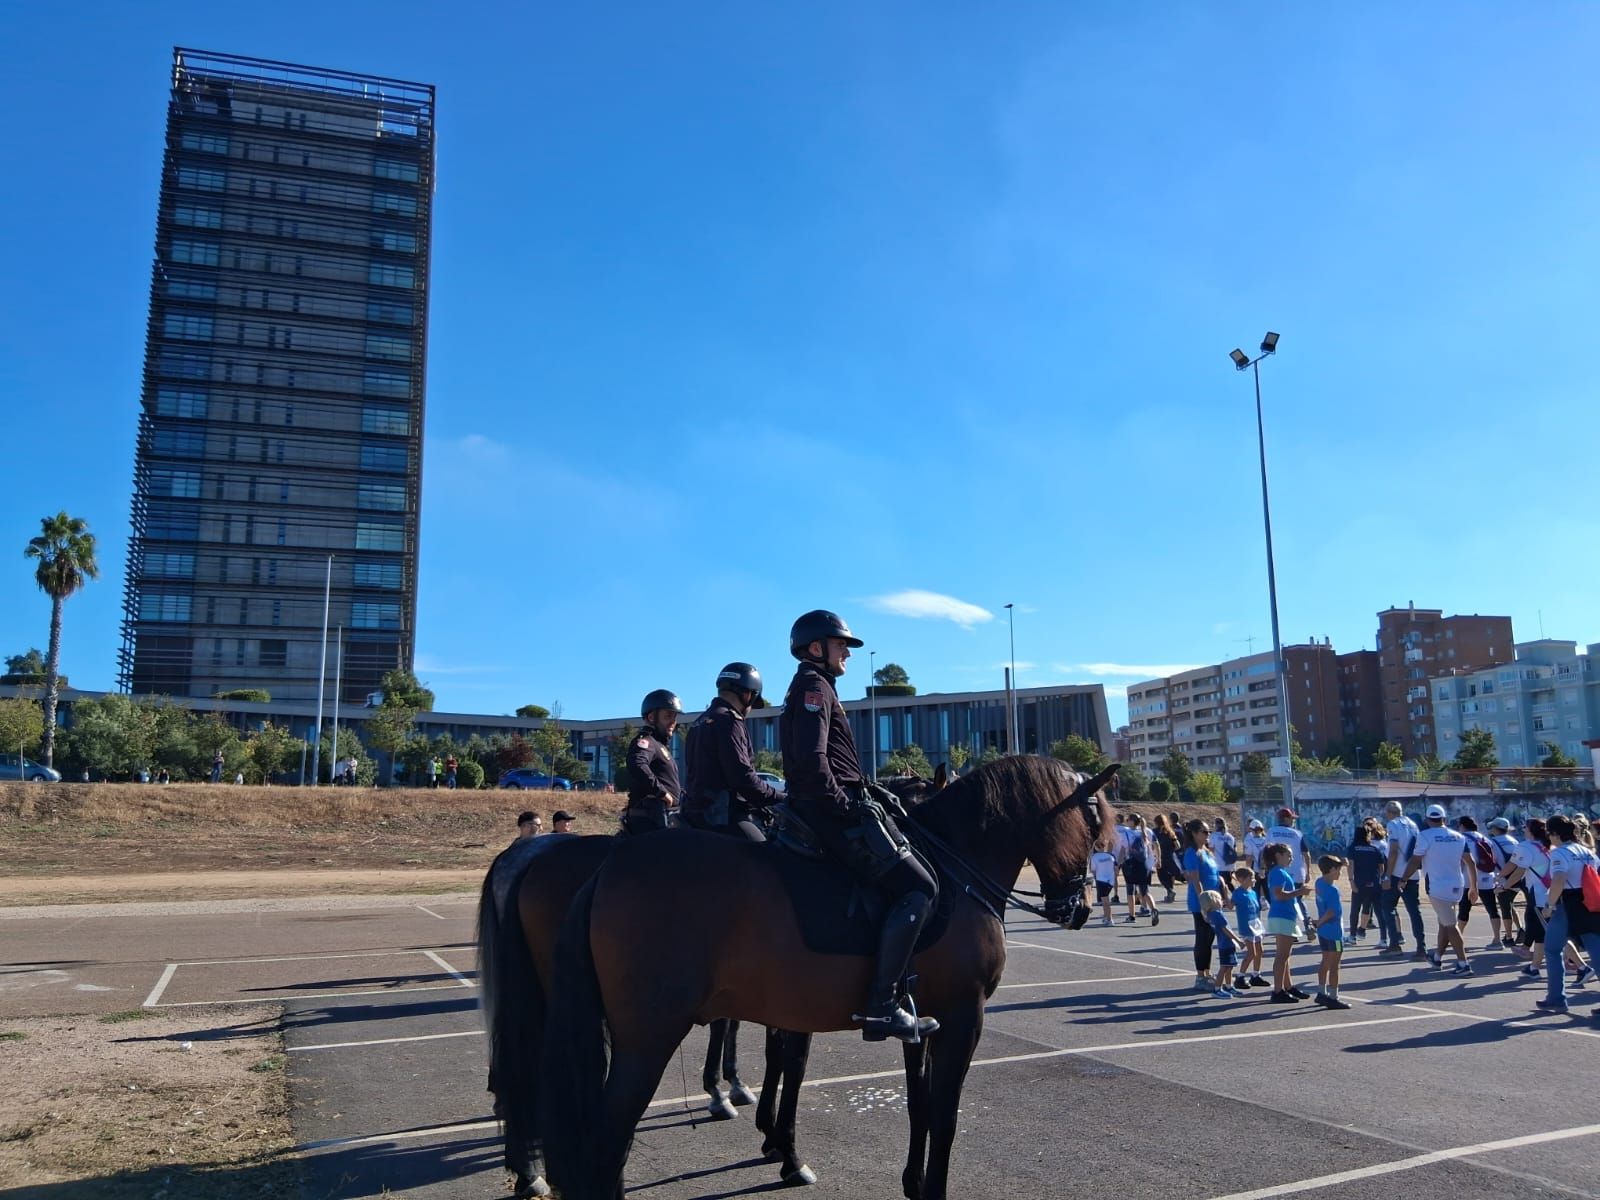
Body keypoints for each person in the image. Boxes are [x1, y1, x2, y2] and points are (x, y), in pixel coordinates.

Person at [779, 609, 939, 1043]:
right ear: (816, 648)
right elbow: (813, 762)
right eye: (841, 645)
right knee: (919, 887)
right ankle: (881, 1007)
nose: (847, 653)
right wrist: (847, 807)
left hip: (827, 804)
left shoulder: (815, 686)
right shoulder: (814, 688)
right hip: (827, 812)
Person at [683, 662, 781, 842]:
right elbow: (743, 778)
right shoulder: (729, 721)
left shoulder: (698, 723)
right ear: (748, 695)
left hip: (695, 814)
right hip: (722, 817)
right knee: (770, 853)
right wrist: (781, 798)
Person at [1397, 803, 1477, 976]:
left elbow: (1415, 860)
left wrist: (1403, 878)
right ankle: (1437, 957)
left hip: (1437, 886)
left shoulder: (1424, 836)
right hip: (1457, 885)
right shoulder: (1458, 836)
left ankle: (1463, 963)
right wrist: (1474, 887)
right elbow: (1470, 862)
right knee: (1444, 921)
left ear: (1427, 819)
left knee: (1450, 924)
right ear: (1444, 819)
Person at [1535, 814, 1600, 1014]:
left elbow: (1559, 880)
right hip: (1589, 901)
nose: (1548, 837)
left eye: (1549, 833)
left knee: (1553, 950)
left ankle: (1556, 997)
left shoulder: (1560, 853)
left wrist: (1549, 905)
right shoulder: (1587, 851)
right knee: (1595, 949)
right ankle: (1555, 997)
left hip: (1568, 903)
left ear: (1555, 834)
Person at [625, 690, 683, 834]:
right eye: (668, 716)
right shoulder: (647, 742)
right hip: (650, 820)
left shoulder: (659, 745)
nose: (673, 722)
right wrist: (661, 792)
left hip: (664, 818)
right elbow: (637, 764)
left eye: (675, 717)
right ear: (651, 717)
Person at [1379, 800, 1428, 960]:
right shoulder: (1412, 824)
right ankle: (1421, 947)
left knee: (1388, 906)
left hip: (1397, 873)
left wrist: (1387, 875)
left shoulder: (1393, 825)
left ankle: (1394, 943)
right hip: (1412, 873)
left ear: (1389, 813)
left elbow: (1393, 851)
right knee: (1414, 911)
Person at [1265, 842, 1313, 1003]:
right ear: (1278, 856)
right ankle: (1278, 990)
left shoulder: (1280, 871)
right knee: (1282, 956)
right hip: (1282, 915)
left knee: (1286, 955)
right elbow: (1278, 894)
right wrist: (1300, 891)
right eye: (1288, 855)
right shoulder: (1278, 872)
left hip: (1286, 915)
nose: (1291, 858)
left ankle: (1288, 986)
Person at [1183, 818, 1225, 992]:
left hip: (1214, 900)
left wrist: (1223, 891)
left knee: (1209, 938)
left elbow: (1215, 874)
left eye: (1209, 832)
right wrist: (1203, 902)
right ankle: (1200, 976)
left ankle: (1207, 973)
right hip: (1201, 902)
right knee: (1202, 938)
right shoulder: (1192, 853)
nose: (1208, 835)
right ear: (1194, 833)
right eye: (1204, 832)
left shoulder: (1206, 851)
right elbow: (1195, 879)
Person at [1456, 815, 1504, 948]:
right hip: (1487, 879)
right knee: (1492, 909)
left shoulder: (1462, 839)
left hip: (1469, 880)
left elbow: (1460, 861)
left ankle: (1457, 937)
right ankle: (1497, 939)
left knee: (1464, 910)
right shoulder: (1485, 838)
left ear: (1462, 826)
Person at [1266, 807, 1314, 941]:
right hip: (1296, 872)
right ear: (1286, 819)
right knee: (1297, 900)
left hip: (1278, 870)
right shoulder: (1297, 833)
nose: (1293, 821)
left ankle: (1290, 930)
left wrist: (1264, 868)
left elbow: (1265, 851)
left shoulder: (1271, 832)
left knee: (1284, 900)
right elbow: (1306, 854)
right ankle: (1307, 925)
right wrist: (1308, 872)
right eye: (1292, 819)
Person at [1313, 855, 1351, 1009]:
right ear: (1332, 870)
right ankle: (1333, 996)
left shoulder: (1319, 882)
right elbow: (1331, 912)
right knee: (1335, 965)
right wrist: (1319, 922)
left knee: (1325, 961)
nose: (1340, 873)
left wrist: (1319, 924)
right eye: (1338, 870)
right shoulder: (1333, 890)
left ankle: (1321, 992)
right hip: (1334, 932)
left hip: (1324, 932)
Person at [1200, 891, 1244, 998]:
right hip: (1226, 944)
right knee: (1224, 967)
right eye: (1219, 899)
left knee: (1229, 966)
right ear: (1213, 901)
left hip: (1223, 943)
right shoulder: (1217, 914)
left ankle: (1229, 986)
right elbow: (1226, 929)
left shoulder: (1210, 914)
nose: (1222, 901)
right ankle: (1217, 989)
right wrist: (1238, 940)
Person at [1487, 817, 1522, 947]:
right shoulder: (1515, 841)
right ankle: (1520, 929)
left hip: (1502, 878)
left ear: (1496, 829)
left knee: (1505, 908)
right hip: (1518, 878)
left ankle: (1509, 936)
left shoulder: (1492, 842)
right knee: (1510, 904)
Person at [1231, 867, 1267, 988]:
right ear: (1241, 879)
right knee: (1251, 953)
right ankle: (1240, 977)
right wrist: (1224, 893)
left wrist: (1260, 926)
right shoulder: (1238, 893)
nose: (1254, 880)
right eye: (1251, 878)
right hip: (1246, 927)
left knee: (1260, 951)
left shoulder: (1253, 893)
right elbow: (1230, 905)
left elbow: (1256, 910)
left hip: (1255, 925)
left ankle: (1256, 975)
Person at [1346, 824, 1384, 942]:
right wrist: (1379, 880)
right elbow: (1381, 867)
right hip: (1374, 884)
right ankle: (1384, 938)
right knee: (1378, 911)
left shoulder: (1353, 848)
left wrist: (1351, 881)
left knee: (1355, 910)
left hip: (1359, 883)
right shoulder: (1375, 849)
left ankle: (1352, 936)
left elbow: (1351, 865)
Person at [1121, 813, 1159, 926]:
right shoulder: (1146, 831)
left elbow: (1123, 849)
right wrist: (1157, 859)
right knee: (1145, 890)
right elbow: (1155, 845)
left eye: (1128, 820)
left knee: (1130, 890)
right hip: (1144, 864)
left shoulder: (1126, 833)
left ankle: (1131, 915)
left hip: (1130, 863)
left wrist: (1118, 863)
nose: (1126, 822)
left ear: (1132, 821)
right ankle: (1153, 909)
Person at [1153, 814, 1183, 903]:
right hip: (1170, 856)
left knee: (1162, 877)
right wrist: (1171, 850)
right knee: (1170, 875)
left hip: (1160, 856)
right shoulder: (1170, 831)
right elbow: (1177, 845)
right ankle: (1170, 893)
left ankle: (1170, 891)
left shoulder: (1154, 832)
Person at [1091, 844, 1119, 926]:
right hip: (1110, 881)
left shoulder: (1095, 857)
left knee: (1105, 901)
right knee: (1105, 900)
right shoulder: (1111, 856)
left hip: (1101, 880)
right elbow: (1116, 868)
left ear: (1096, 847)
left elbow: (1093, 870)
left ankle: (1110, 919)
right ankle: (1106, 917)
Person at [1241, 819, 1270, 895]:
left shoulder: (1249, 841)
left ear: (1251, 829)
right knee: (1268, 892)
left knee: (1255, 892)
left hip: (1256, 870)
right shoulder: (1267, 840)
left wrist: (1248, 870)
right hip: (1267, 870)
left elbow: (1249, 858)